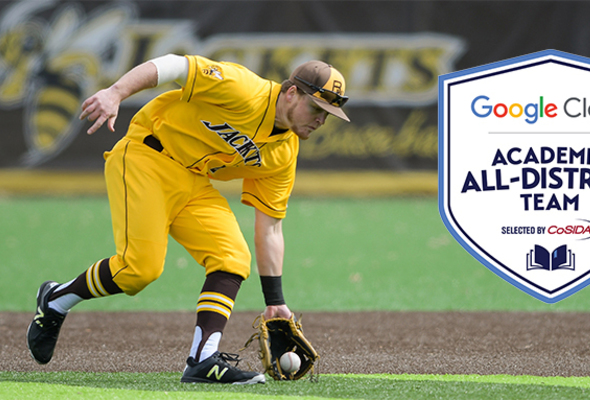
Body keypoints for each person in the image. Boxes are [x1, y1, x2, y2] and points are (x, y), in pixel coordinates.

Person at [26, 54, 350, 384]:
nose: (321, 120)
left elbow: (270, 228)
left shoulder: (284, 154)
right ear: (292, 93)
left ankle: (202, 360)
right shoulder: (243, 89)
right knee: (139, 271)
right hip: (146, 156)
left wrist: (275, 302)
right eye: (316, 108)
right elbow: (173, 65)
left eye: (328, 114)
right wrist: (116, 92)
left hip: (193, 179)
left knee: (232, 258)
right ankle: (57, 299)